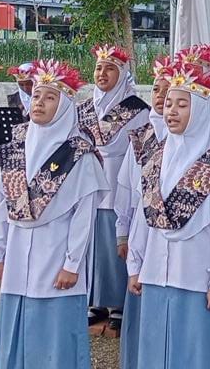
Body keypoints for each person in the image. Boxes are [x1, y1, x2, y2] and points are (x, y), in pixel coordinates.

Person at [0, 60, 107, 369]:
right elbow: (3, 205)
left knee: (55, 340)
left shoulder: (79, 155)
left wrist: (72, 264)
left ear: (66, 105)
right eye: (37, 96)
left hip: (56, 261)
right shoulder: (16, 149)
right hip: (16, 258)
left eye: (50, 97)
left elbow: (83, 217)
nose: (39, 102)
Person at [127, 62, 210, 368]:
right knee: (156, 350)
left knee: (197, 353)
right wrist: (135, 263)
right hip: (154, 273)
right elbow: (144, 215)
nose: (171, 111)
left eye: (182, 104)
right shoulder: (155, 157)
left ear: (202, 110)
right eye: (168, 104)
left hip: (197, 277)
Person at [84, 44, 150, 331]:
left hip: (118, 180)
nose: (102, 73)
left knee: (116, 242)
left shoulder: (136, 108)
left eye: (110, 68)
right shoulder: (86, 107)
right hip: (90, 181)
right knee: (92, 243)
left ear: (122, 74)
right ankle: (95, 300)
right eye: (99, 68)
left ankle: (118, 303)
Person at [115, 56, 172, 369]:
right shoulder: (141, 137)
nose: (162, 97)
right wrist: (122, 231)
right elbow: (126, 188)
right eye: (157, 90)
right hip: (141, 228)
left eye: (169, 91)